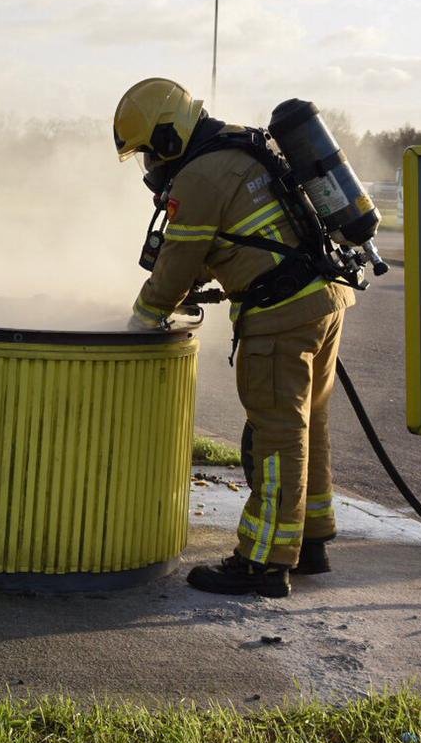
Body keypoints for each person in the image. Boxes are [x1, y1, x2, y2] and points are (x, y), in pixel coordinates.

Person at [113, 78, 354, 598]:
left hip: (281, 317)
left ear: (170, 138)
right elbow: (231, 243)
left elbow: (175, 265)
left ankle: (263, 562)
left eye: (150, 152)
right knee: (307, 425)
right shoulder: (243, 146)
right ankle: (310, 541)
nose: (151, 166)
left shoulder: (199, 175)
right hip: (323, 301)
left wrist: (139, 321)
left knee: (276, 436)